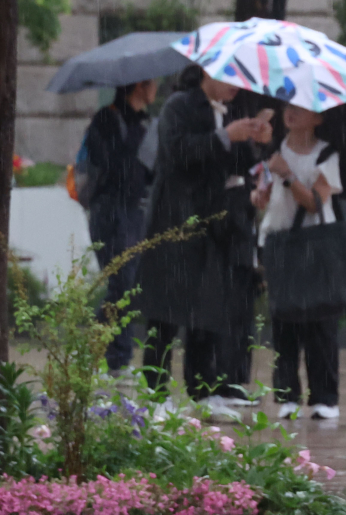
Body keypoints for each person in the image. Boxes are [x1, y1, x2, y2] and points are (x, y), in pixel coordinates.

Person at [136, 65, 271, 418]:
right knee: (165, 313)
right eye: (230, 78)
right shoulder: (180, 105)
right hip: (175, 221)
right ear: (209, 73)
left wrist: (255, 140)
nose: (236, 88)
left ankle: (203, 390)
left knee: (206, 308)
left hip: (213, 224)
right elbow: (178, 152)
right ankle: (155, 393)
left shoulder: (228, 113)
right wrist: (224, 136)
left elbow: (236, 165)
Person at [252, 104, 344, 420]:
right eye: (289, 106)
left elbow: (317, 202)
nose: (291, 113)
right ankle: (286, 394)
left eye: (302, 109)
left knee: (320, 321)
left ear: (318, 118)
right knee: (284, 320)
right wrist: (260, 195)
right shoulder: (274, 150)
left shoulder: (326, 154)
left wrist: (288, 175)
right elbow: (264, 196)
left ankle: (325, 397)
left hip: (316, 245)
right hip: (278, 242)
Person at [86, 79, 157, 377]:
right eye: (152, 83)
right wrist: (138, 140)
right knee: (121, 284)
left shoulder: (144, 123)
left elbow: (147, 174)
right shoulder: (106, 119)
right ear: (139, 85)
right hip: (109, 210)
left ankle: (112, 356)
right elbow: (109, 163)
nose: (156, 88)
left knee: (127, 285)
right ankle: (112, 356)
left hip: (133, 211)